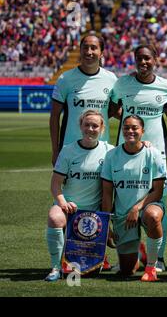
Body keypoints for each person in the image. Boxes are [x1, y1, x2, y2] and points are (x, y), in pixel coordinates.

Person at [109, 44, 167, 273]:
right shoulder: (122, 84)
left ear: (155, 59)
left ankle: (158, 258)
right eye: (139, 58)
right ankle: (128, 254)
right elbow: (110, 109)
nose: (144, 62)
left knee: (157, 207)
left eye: (148, 58)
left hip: (156, 155)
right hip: (125, 155)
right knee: (123, 206)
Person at [45, 110, 114, 281]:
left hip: (95, 211)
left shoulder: (110, 151)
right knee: (55, 218)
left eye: (95, 125)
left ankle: (102, 256)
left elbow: (132, 150)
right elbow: (55, 184)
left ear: (102, 128)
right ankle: (56, 267)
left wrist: (147, 144)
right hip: (70, 207)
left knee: (117, 242)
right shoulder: (68, 151)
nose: (90, 129)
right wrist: (63, 203)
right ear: (80, 126)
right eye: (87, 125)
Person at [101, 115, 167, 281]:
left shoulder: (153, 154)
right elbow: (107, 193)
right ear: (122, 130)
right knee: (127, 271)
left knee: (152, 216)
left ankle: (151, 266)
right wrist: (106, 222)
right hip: (123, 214)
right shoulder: (111, 156)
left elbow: (157, 192)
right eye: (126, 128)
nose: (130, 131)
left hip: (147, 206)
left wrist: (137, 208)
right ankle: (140, 251)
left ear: (143, 131)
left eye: (135, 128)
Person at [50, 34, 118, 166]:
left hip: (101, 151)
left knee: (103, 187)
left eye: (93, 48)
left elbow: (115, 111)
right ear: (80, 51)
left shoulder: (111, 79)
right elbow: (54, 116)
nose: (89, 52)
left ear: (101, 53)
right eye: (85, 48)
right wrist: (55, 150)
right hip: (70, 149)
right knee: (69, 187)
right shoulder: (66, 79)